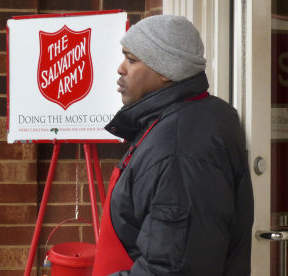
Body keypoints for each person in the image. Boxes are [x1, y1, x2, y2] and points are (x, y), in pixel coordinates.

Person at [92, 15, 254, 276]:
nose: (121, 68)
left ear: (167, 71)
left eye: (132, 59)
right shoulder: (180, 119)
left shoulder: (182, 148)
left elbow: (173, 268)